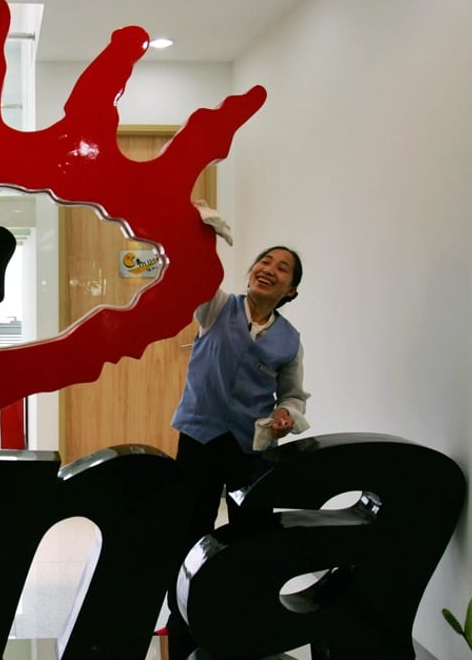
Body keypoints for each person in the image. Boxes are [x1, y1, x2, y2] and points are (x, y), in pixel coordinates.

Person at [165, 245, 309, 657]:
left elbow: (294, 396)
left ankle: (245, 617)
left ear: (290, 290)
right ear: (250, 272)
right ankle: (182, 618)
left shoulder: (290, 341)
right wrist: (202, 232)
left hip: (251, 446)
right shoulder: (216, 309)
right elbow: (193, 270)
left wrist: (285, 413)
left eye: (282, 268)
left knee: (252, 536)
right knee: (190, 529)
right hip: (200, 437)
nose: (270, 269)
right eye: (265, 261)